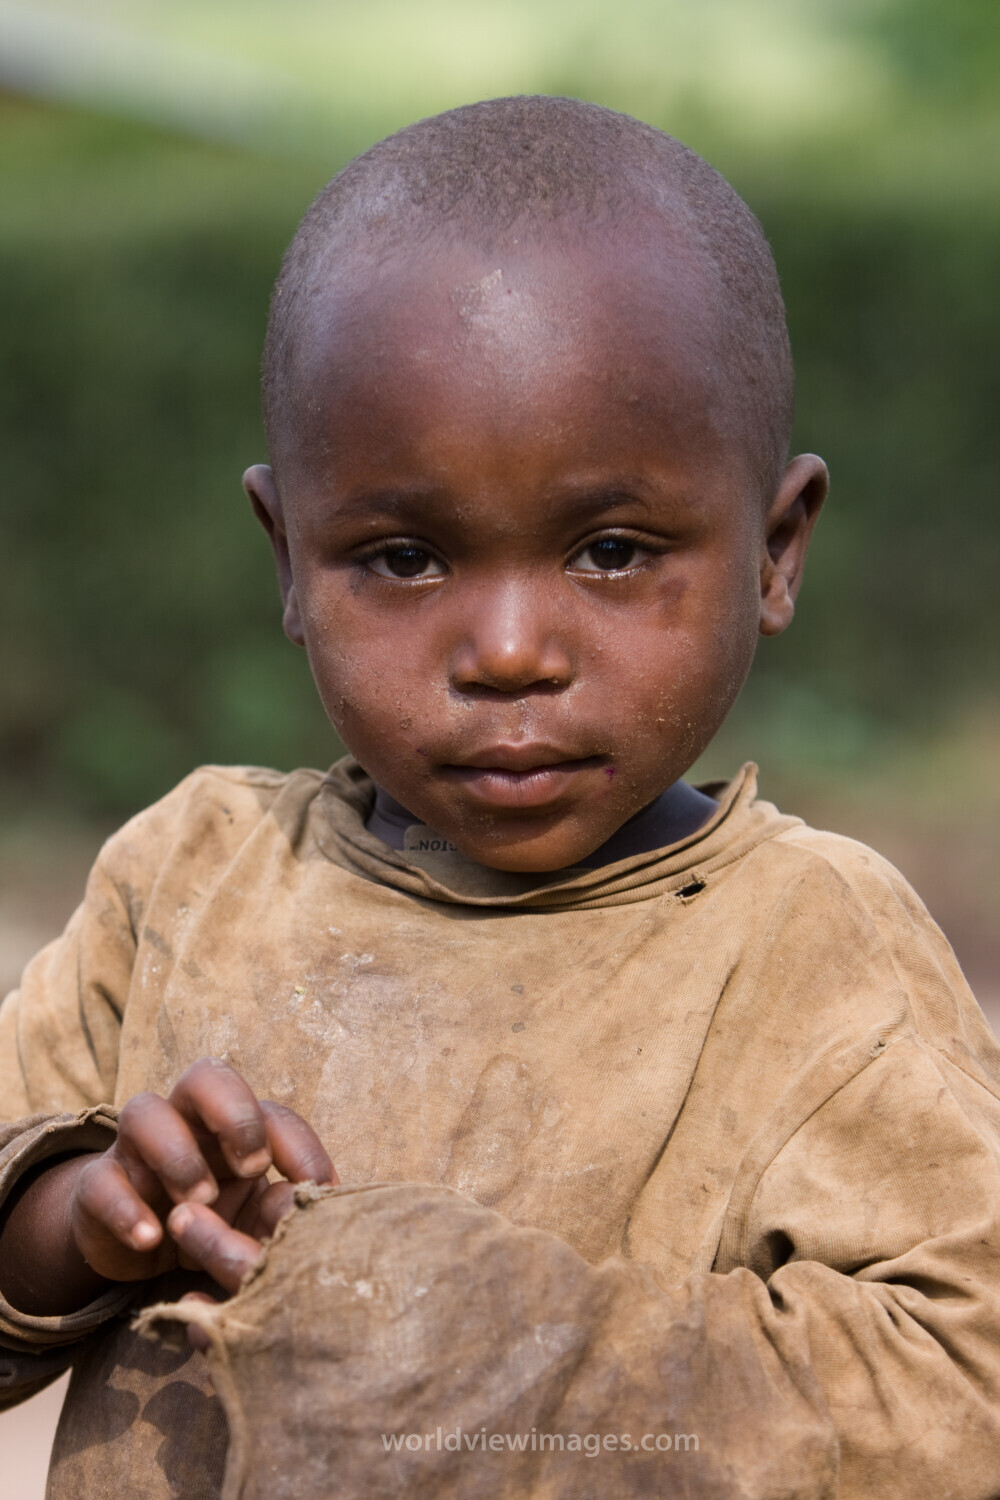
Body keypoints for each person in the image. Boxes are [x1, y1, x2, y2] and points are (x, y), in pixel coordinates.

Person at [1, 95, 999, 1499]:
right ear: (288, 557)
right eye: (405, 559)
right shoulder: (186, 879)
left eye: (612, 550)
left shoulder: (812, 953)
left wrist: (491, 1340)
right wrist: (79, 1223)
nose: (511, 652)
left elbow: (961, 1389)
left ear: (775, 550)